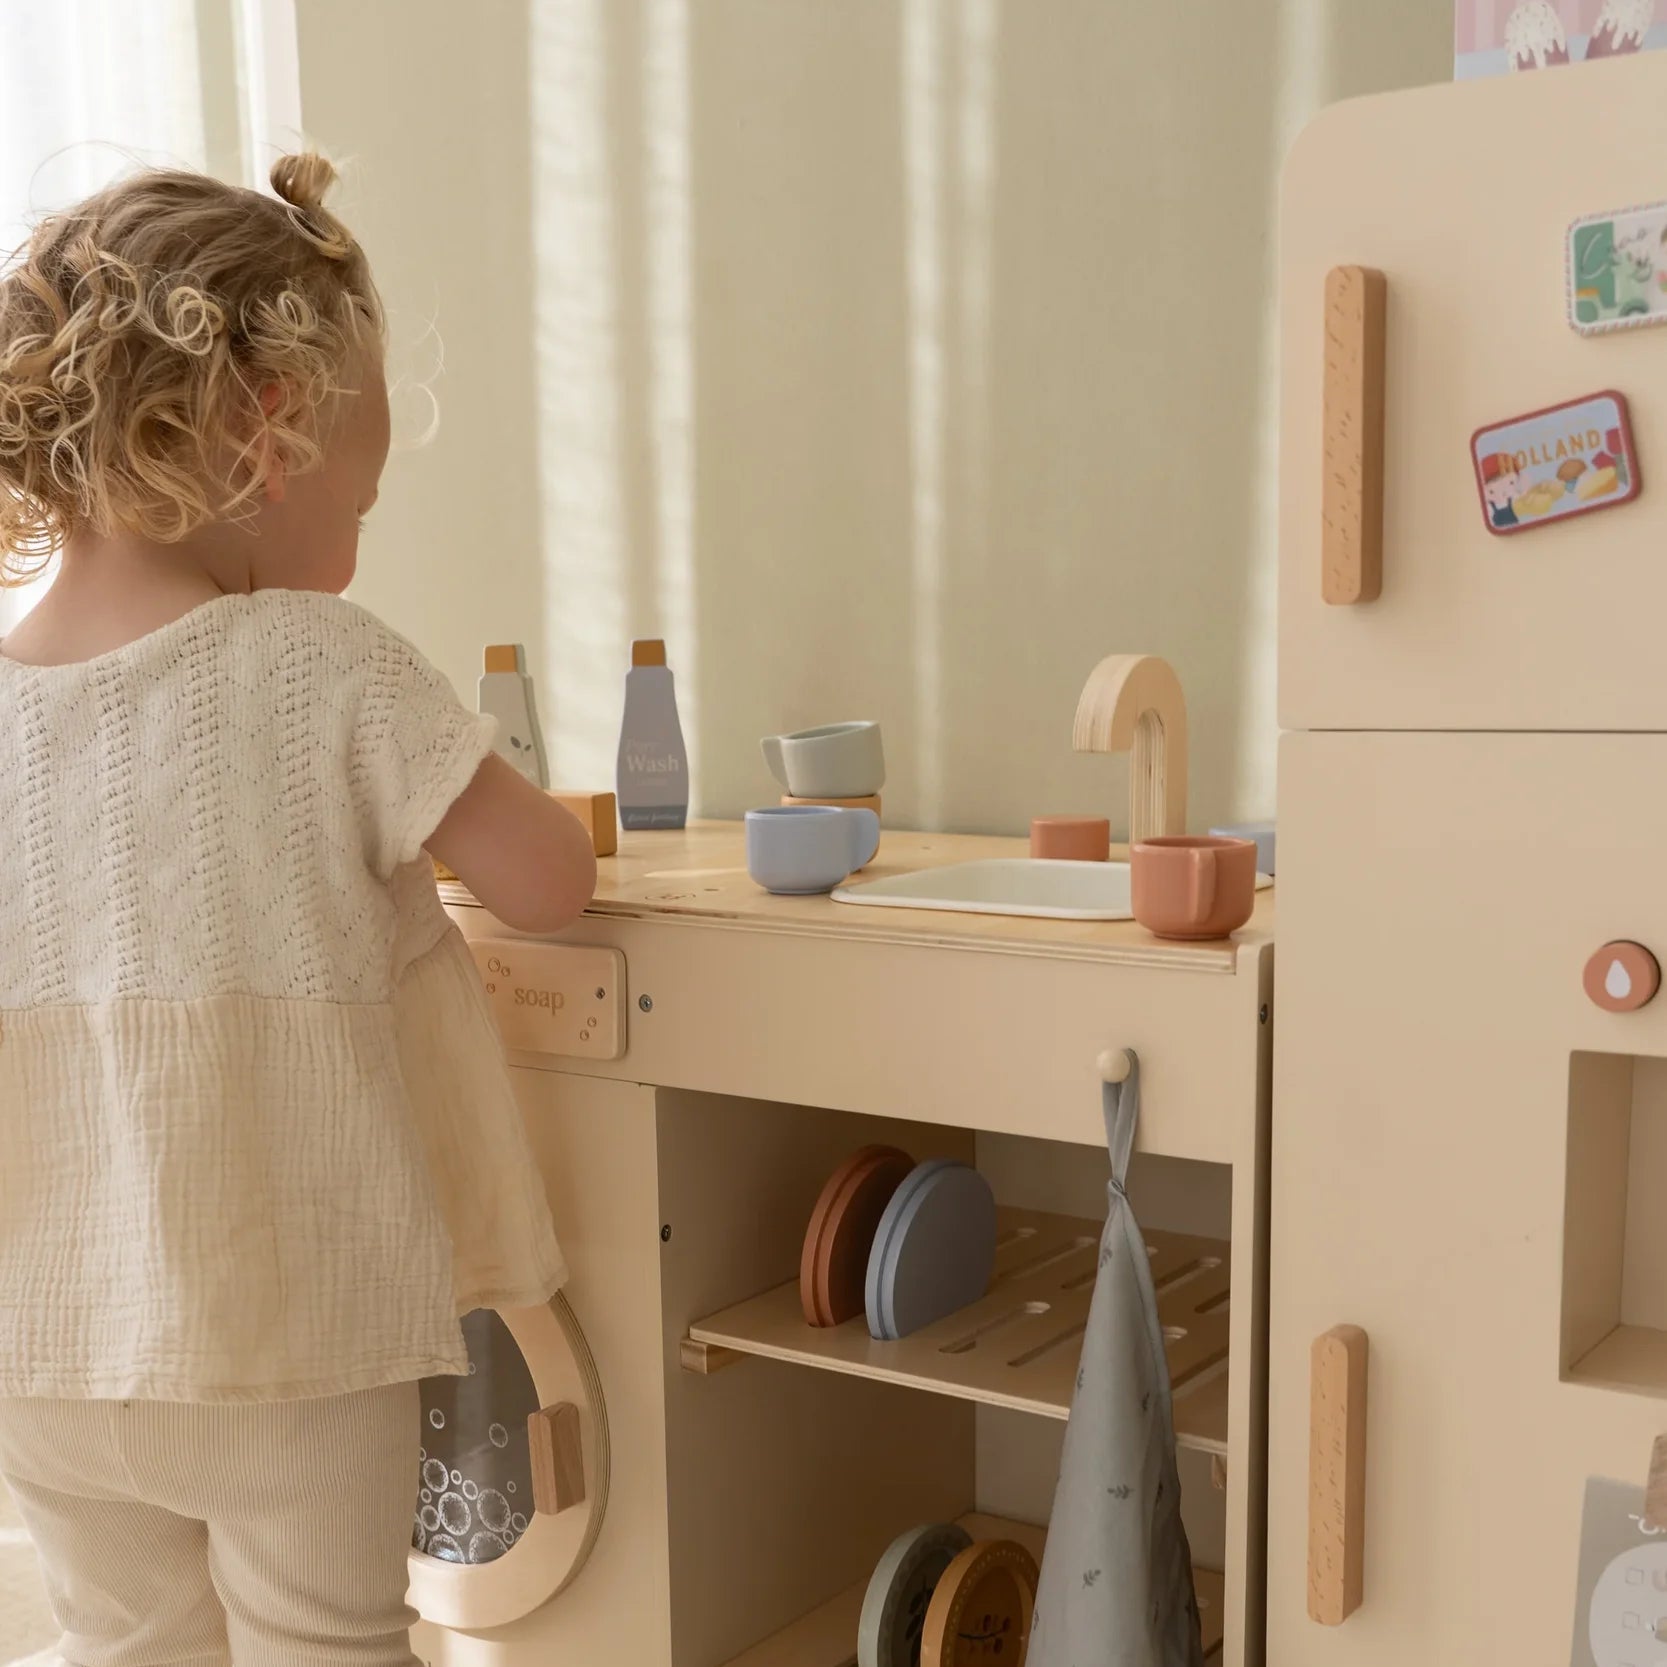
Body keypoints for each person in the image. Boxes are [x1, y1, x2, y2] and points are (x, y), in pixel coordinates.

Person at [0, 153, 596, 1665]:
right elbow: (548, 884)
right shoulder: (318, 659)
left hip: (36, 1353)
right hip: (288, 1336)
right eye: (363, 497)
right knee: (325, 1645)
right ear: (269, 433)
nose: (358, 539)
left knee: (123, 1645)